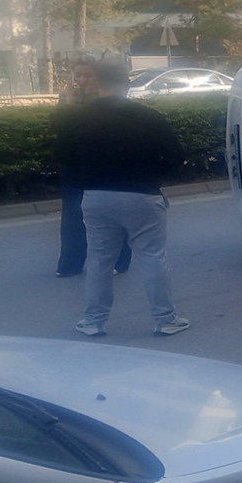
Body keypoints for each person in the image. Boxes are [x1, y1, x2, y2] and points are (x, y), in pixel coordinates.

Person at [53, 59, 190, 337]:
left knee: (99, 260)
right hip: (143, 195)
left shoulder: (77, 118)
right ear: (127, 83)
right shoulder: (149, 117)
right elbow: (177, 157)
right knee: (152, 257)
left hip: (96, 196)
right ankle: (166, 319)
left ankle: (93, 321)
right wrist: (152, 175)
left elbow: (62, 156)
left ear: (96, 82)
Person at [51, 61, 131, 278]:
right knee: (73, 215)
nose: (82, 80)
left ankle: (119, 260)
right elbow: (58, 129)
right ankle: (70, 263)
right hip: (74, 168)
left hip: (105, 167)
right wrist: (69, 105)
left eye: (88, 75)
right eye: (78, 75)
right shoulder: (67, 98)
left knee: (112, 215)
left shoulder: (108, 99)